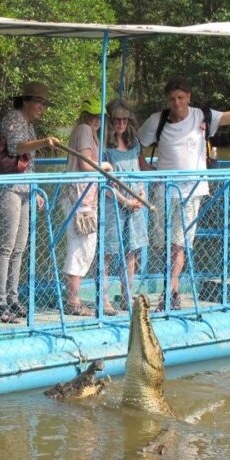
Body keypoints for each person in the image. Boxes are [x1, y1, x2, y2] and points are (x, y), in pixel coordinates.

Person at [138, 72, 230, 311]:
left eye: (181, 98)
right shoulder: (157, 120)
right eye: (172, 99)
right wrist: (146, 169)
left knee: (179, 245)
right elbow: (135, 144)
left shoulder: (202, 116)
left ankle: (170, 293)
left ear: (189, 97)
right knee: (164, 245)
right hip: (164, 191)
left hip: (192, 192)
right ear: (166, 100)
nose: (177, 103)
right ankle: (170, 290)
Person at [0, 81, 59, 323]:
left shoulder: (28, 124)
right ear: (27, 101)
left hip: (25, 190)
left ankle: (13, 299)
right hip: (9, 188)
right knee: (6, 247)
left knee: (19, 248)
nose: (42, 107)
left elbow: (28, 163)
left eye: (43, 103)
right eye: (39, 102)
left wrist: (36, 189)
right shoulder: (13, 118)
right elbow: (16, 147)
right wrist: (44, 142)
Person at [62, 96, 113, 317]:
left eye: (100, 116)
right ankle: (72, 300)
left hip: (84, 196)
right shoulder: (83, 130)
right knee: (81, 247)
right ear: (85, 116)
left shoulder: (86, 131)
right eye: (93, 116)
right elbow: (86, 164)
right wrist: (105, 165)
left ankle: (73, 298)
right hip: (80, 197)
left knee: (84, 246)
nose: (97, 120)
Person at [104, 100, 151, 314]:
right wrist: (125, 200)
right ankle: (103, 298)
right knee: (107, 251)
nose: (121, 123)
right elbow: (104, 182)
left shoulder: (134, 144)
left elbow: (138, 172)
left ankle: (126, 295)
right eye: (117, 120)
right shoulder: (105, 146)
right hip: (114, 202)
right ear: (111, 121)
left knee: (131, 251)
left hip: (134, 202)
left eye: (124, 119)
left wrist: (140, 196)